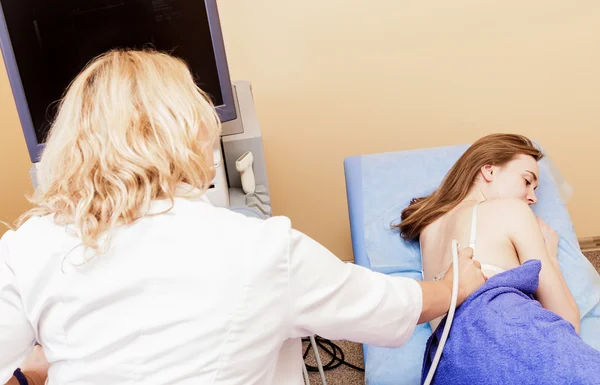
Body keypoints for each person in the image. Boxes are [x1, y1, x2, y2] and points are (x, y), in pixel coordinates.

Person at [0, 49, 486, 385]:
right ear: (189, 133)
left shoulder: (25, 248)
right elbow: (387, 306)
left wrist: (37, 370)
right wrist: (453, 288)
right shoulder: (260, 249)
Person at [397, 133, 580, 333]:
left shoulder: (428, 228)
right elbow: (568, 324)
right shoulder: (512, 210)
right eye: (527, 181)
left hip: (449, 357)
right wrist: (551, 256)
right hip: (510, 340)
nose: (533, 198)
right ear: (489, 170)